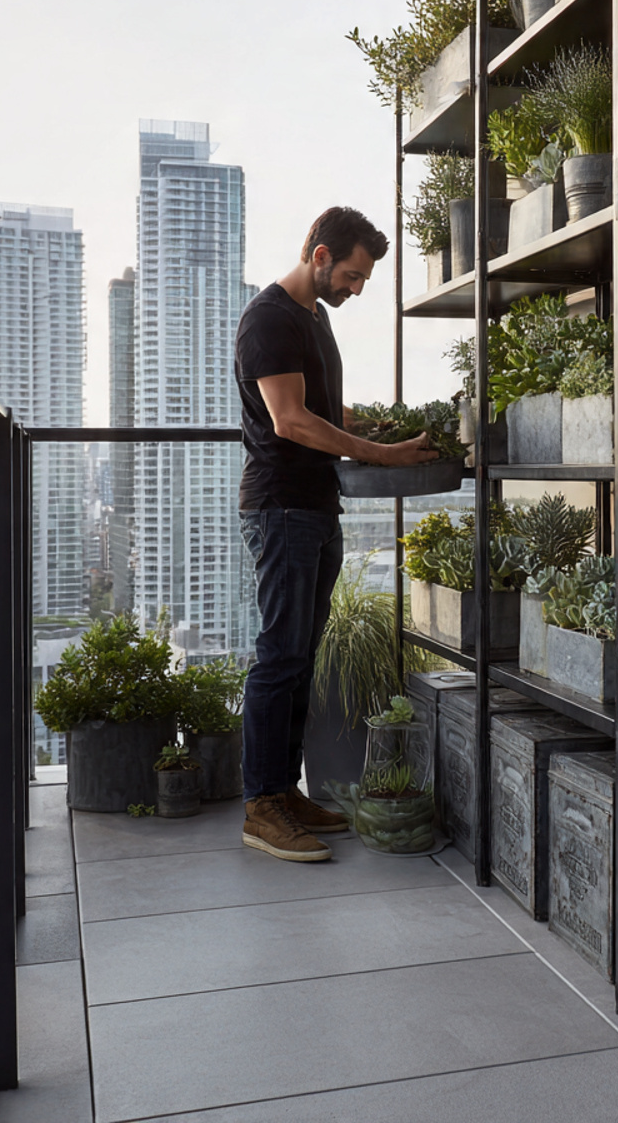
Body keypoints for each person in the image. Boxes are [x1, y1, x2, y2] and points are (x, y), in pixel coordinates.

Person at [234, 206, 437, 862]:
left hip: (315, 507)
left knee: (300, 656)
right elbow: (290, 421)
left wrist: (382, 428)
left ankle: (283, 792)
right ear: (319, 255)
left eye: (362, 281)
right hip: (282, 508)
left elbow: (325, 409)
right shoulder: (270, 319)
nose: (355, 289)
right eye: (351, 275)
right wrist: (378, 456)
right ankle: (262, 806)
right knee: (279, 657)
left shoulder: (313, 320)